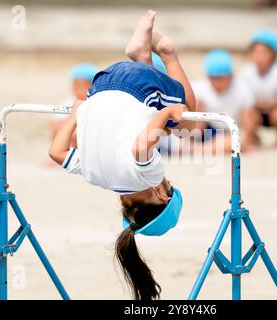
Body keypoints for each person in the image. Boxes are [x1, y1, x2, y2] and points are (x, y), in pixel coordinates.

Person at [49, 10, 197, 300]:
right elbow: (56, 152)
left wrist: (169, 112)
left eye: (169, 185)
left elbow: (141, 146)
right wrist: (77, 114)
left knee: (189, 121)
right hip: (99, 85)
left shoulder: (149, 177)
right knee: (164, 128)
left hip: (134, 85)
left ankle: (167, 54)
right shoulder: (94, 176)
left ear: (162, 195)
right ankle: (141, 55)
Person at [240, 28, 277, 151]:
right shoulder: (247, 72)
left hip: (274, 110)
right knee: (246, 113)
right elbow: (243, 97)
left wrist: (269, 104)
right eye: (256, 52)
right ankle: (252, 137)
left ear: (273, 55)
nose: (259, 56)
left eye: (264, 52)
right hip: (256, 111)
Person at [191, 49, 254, 153]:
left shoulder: (243, 88)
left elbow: (249, 118)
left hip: (232, 130)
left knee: (250, 114)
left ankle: (199, 149)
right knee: (196, 101)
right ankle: (196, 143)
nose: (216, 82)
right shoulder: (199, 87)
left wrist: (248, 137)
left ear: (230, 76)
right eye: (213, 78)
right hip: (208, 130)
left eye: (220, 78)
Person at [49, 63, 98, 139]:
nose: (80, 91)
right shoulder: (67, 103)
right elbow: (54, 127)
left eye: (83, 86)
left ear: (93, 86)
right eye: (76, 86)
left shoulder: (95, 104)